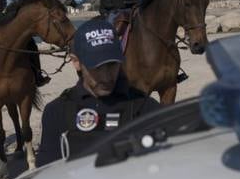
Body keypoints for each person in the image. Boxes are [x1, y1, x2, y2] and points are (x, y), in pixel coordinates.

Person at [36, 19, 159, 167]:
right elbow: (47, 176)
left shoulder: (145, 107)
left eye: (112, 65)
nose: (106, 77)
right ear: (76, 62)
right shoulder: (57, 112)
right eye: (97, 67)